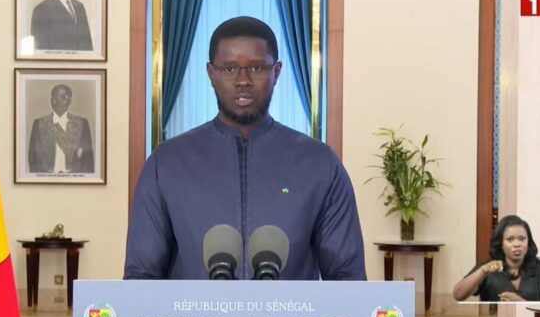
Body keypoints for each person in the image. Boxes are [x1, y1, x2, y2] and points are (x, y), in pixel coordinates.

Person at [124, 16, 367, 280]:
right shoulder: (167, 163)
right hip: (192, 310)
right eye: (229, 68)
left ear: (277, 72)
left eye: (257, 68)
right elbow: (141, 277)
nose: (243, 80)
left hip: (289, 310)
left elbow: (348, 279)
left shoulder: (320, 164)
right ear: (211, 74)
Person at [452, 215, 540, 302]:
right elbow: (458, 295)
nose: (517, 244)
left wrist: (522, 303)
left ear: (528, 242)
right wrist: (482, 271)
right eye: (510, 239)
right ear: (500, 243)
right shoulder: (488, 268)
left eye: (522, 239)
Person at [28, 84, 94, 174]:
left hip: (74, 177)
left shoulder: (82, 123)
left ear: (70, 101)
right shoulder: (39, 123)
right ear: (51, 100)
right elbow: (33, 156)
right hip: (46, 176)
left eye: (64, 98)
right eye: (55, 97)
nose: (59, 101)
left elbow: (88, 158)